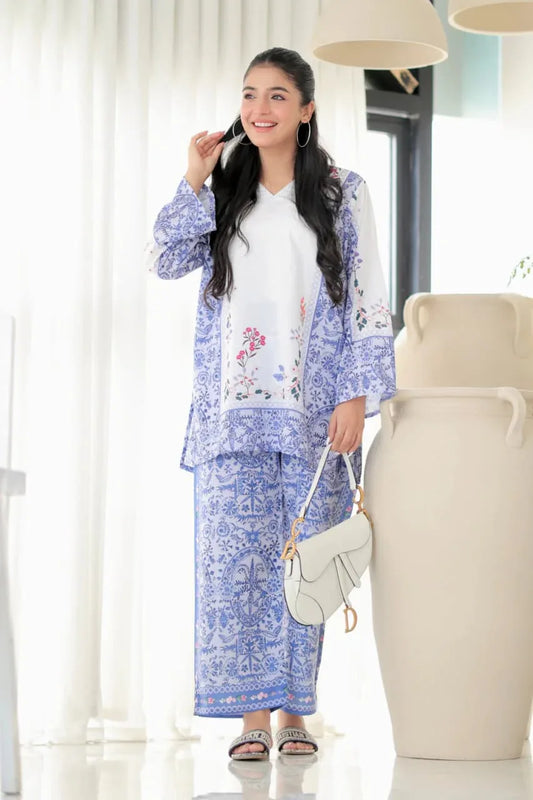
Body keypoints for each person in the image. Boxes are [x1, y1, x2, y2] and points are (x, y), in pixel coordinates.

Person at [145, 47, 396, 761]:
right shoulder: (222, 191)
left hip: (314, 410)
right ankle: (250, 719)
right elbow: (164, 259)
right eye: (250, 95)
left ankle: (295, 716)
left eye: (278, 96)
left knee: (305, 563)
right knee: (236, 568)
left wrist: (355, 393)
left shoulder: (344, 192)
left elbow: (367, 295)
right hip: (228, 418)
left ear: (307, 109)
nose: (260, 108)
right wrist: (192, 179)